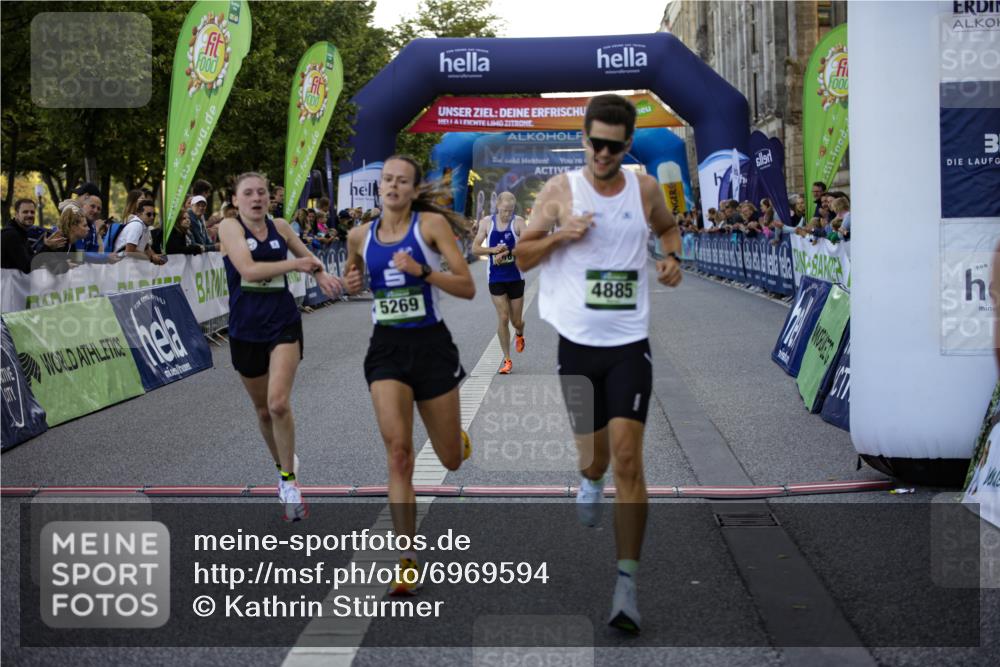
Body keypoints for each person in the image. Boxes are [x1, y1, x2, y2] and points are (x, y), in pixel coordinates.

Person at [515, 94, 682, 635]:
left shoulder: (645, 187)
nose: (603, 153)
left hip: (630, 342)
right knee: (596, 459)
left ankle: (626, 584)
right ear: (584, 138)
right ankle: (589, 480)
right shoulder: (561, 191)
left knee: (630, 461)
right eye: (595, 143)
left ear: (627, 144)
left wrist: (673, 257)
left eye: (614, 145)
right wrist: (563, 234)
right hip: (578, 345)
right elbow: (521, 254)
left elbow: (669, 228)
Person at [343, 155, 474, 595]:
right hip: (386, 351)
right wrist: (352, 282)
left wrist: (423, 271)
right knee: (399, 453)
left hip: (432, 348)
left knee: (451, 458)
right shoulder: (358, 236)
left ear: (415, 190)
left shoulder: (430, 229)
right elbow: (355, 279)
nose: (393, 187)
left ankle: (456, 437)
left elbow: (467, 286)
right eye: (387, 181)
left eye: (401, 181)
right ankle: (406, 559)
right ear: (379, 188)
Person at [218, 172, 346, 521]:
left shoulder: (281, 227)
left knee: (277, 403)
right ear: (235, 200)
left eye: (262, 192)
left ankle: (289, 482)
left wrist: (321, 275)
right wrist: (296, 265)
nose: (257, 198)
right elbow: (246, 268)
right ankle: (282, 466)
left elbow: (310, 260)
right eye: (248, 193)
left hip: (283, 322)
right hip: (246, 328)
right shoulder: (229, 228)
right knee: (262, 411)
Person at [473, 191, 527, 374]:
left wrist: (506, 253)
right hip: (496, 278)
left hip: (515, 277)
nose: (507, 214)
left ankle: (519, 334)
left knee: (516, 321)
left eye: (510, 210)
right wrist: (492, 250)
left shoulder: (518, 222)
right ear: (498, 206)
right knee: (503, 318)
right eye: (504, 210)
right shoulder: (487, 223)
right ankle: (507, 360)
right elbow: (474, 248)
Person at [114, 199, 166, 264]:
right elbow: (130, 251)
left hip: (127, 265)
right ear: (138, 214)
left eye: (154, 214)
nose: (152, 217)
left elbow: (146, 248)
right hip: (122, 266)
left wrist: (154, 255)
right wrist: (151, 258)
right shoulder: (137, 225)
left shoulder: (145, 226)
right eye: (149, 214)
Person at [1, 198, 38, 273]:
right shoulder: (11, 235)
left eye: (32, 212)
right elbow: (28, 267)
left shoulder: (20, 232)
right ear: (16, 214)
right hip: (9, 283)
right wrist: (47, 246)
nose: (30, 215)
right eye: (25, 212)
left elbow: (31, 257)